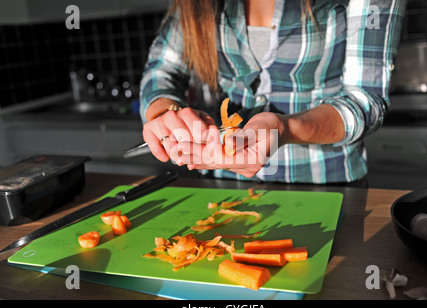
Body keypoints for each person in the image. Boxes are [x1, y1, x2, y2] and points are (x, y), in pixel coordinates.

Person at [139, 0, 406, 186]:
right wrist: (164, 112)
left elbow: (365, 102)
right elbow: (161, 71)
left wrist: (284, 128)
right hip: (223, 184)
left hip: (326, 184)